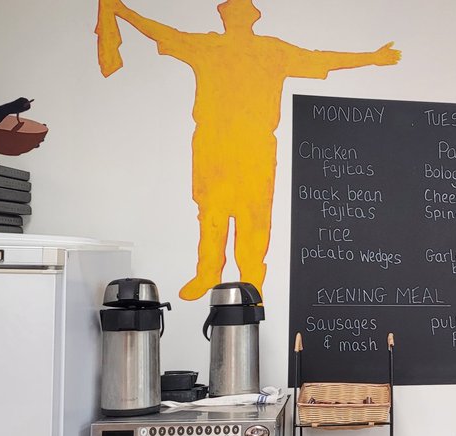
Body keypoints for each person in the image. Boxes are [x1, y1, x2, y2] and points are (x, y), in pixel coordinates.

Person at [96, 0, 401, 300]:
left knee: (254, 215)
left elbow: (320, 59)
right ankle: (208, 274)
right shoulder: (207, 47)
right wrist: (124, 11)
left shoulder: (272, 51)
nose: (237, 18)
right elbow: (164, 33)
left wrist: (371, 57)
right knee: (211, 212)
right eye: (233, 13)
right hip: (213, 141)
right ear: (224, 17)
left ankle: (251, 281)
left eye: (242, 14)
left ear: (253, 18)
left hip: (255, 144)